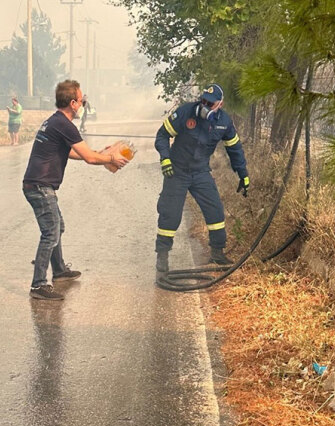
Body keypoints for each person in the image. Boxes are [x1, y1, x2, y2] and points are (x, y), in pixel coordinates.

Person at [23, 80, 129, 300]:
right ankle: (38, 285)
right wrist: (110, 158)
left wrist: (98, 154)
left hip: (39, 185)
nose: (83, 105)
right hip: (40, 186)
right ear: (72, 103)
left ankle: (59, 270)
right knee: (50, 232)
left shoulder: (55, 121)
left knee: (57, 226)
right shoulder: (64, 124)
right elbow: (90, 158)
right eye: (81, 101)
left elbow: (71, 153)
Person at [154, 83, 249, 275]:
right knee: (170, 214)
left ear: (219, 105)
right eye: (204, 100)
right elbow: (162, 136)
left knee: (215, 211)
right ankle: (162, 255)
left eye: (210, 103)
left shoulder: (224, 122)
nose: (205, 105)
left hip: (200, 173)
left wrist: (243, 174)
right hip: (177, 171)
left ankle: (217, 252)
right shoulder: (185, 112)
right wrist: (165, 158)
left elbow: (235, 149)